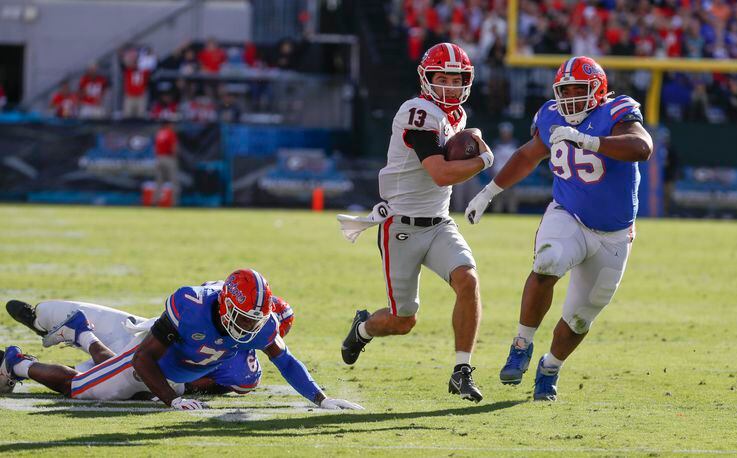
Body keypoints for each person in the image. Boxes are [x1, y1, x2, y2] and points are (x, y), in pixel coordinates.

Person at [465, 56, 653, 401]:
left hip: (613, 234)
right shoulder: (551, 115)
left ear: (597, 91)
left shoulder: (617, 112)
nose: (568, 98)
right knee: (547, 262)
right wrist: (489, 191)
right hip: (568, 214)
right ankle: (521, 344)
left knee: (581, 317)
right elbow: (527, 156)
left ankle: (549, 368)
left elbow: (642, 148)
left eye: (577, 90)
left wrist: (589, 141)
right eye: (563, 90)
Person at [339, 43, 494, 403]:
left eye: (457, 80)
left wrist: (477, 146)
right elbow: (440, 173)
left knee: (468, 280)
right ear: (427, 79)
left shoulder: (457, 117)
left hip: (440, 223)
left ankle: (461, 371)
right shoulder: (416, 111)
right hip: (402, 229)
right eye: (443, 78)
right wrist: (484, 160)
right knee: (403, 320)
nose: (451, 86)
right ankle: (362, 329)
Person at [0, 269, 363, 411]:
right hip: (151, 358)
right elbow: (142, 360)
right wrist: (172, 400)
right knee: (79, 387)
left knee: (122, 381)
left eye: (254, 318)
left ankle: (80, 330)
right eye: (242, 316)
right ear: (224, 304)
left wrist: (321, 398)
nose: (248, 325)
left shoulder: (261, 325)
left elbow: (285, 360)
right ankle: (17, 361)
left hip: (174, 369)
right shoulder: (192, 307)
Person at [3, 294, 295, 396]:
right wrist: (172, 395)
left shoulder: (216, 302)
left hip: (145, 331)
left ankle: (73, 334)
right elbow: (199, 383)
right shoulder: (245, 370)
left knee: (82, 377)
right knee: (82, 385)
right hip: (150, 351)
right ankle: (78, 335)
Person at [154, 121, 180, 206]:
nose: (173, 126)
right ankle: (174, 202)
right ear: (167, 125)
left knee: (159, 182)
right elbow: (173, 147)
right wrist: (174, 157)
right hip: (168, 158)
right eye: (171, 124)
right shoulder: (170, 133)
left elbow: (155, 147)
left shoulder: (159, 133)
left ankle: (155, 202)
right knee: (174, 181)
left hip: (159, 158)